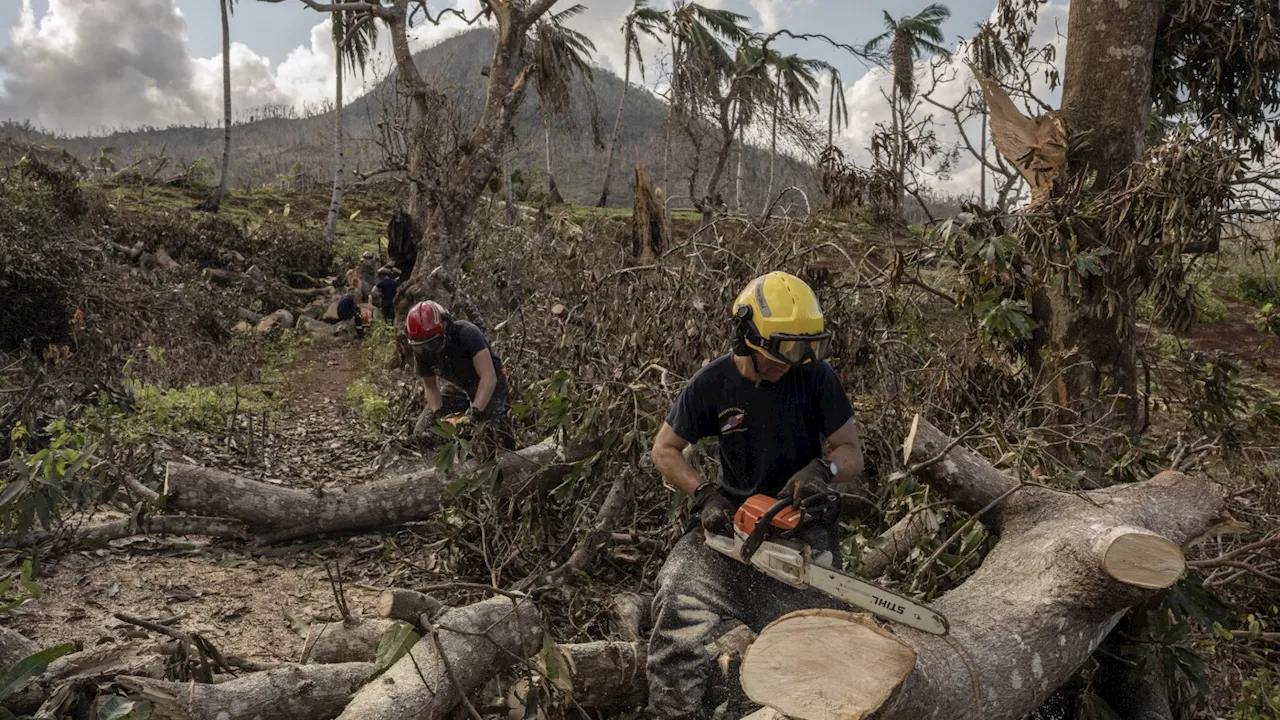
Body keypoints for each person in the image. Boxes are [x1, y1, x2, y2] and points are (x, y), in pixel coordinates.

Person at [645, 271, 865, 719]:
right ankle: (673, 712)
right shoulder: (713, 383)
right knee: (676, 596)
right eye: (778, 354)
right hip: (731, 529)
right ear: (746, 337)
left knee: (820, 645)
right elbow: (664, 450)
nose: (788, 364)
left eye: (800, 352)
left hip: (801, 527)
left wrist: (824, 469)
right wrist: (704, 494)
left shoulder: (816, 377)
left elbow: (852, 454)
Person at [406, 300, 515, 448]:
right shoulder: (423, 350)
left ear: (446, 327)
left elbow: (488, 377)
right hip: (460, 386)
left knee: (496, 436)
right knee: (423, 431)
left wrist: (474, 413)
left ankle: (507, 463)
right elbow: (430, 387)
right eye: (424, 346)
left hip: (489, 383)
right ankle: (447, 466)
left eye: (433, 343)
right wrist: (439, 415)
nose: (430, 349)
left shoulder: (467, 333)